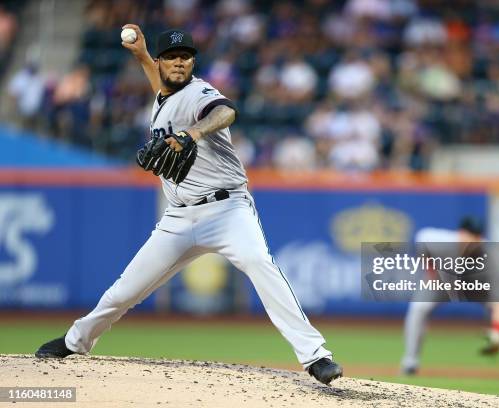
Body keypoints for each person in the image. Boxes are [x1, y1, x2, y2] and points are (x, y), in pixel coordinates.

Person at [34, 25, 343, 386]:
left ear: (193, 61)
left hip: (228, 210)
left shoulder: (200, 93)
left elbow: (225, 112)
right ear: (162, 62)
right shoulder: (164, 95)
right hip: (178, 218)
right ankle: (76, 341)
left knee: (260, 263)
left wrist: (191, 133)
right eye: (172, 57)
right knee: (125, 290)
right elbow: (161, 86)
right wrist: (142, 56)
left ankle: (316, 356)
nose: (179, 63)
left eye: (185, 57)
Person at [401, 217, 499, 379]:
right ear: (460, 234)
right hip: (444, 282)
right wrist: (430, 269)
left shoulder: (490, 256)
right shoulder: (440, 242)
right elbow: (422, 239)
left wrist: (497, 335)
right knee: (419, 308)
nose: (473, 240)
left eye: (477, 236)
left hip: (477, 287)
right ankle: (410, 363)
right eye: (470, 235)